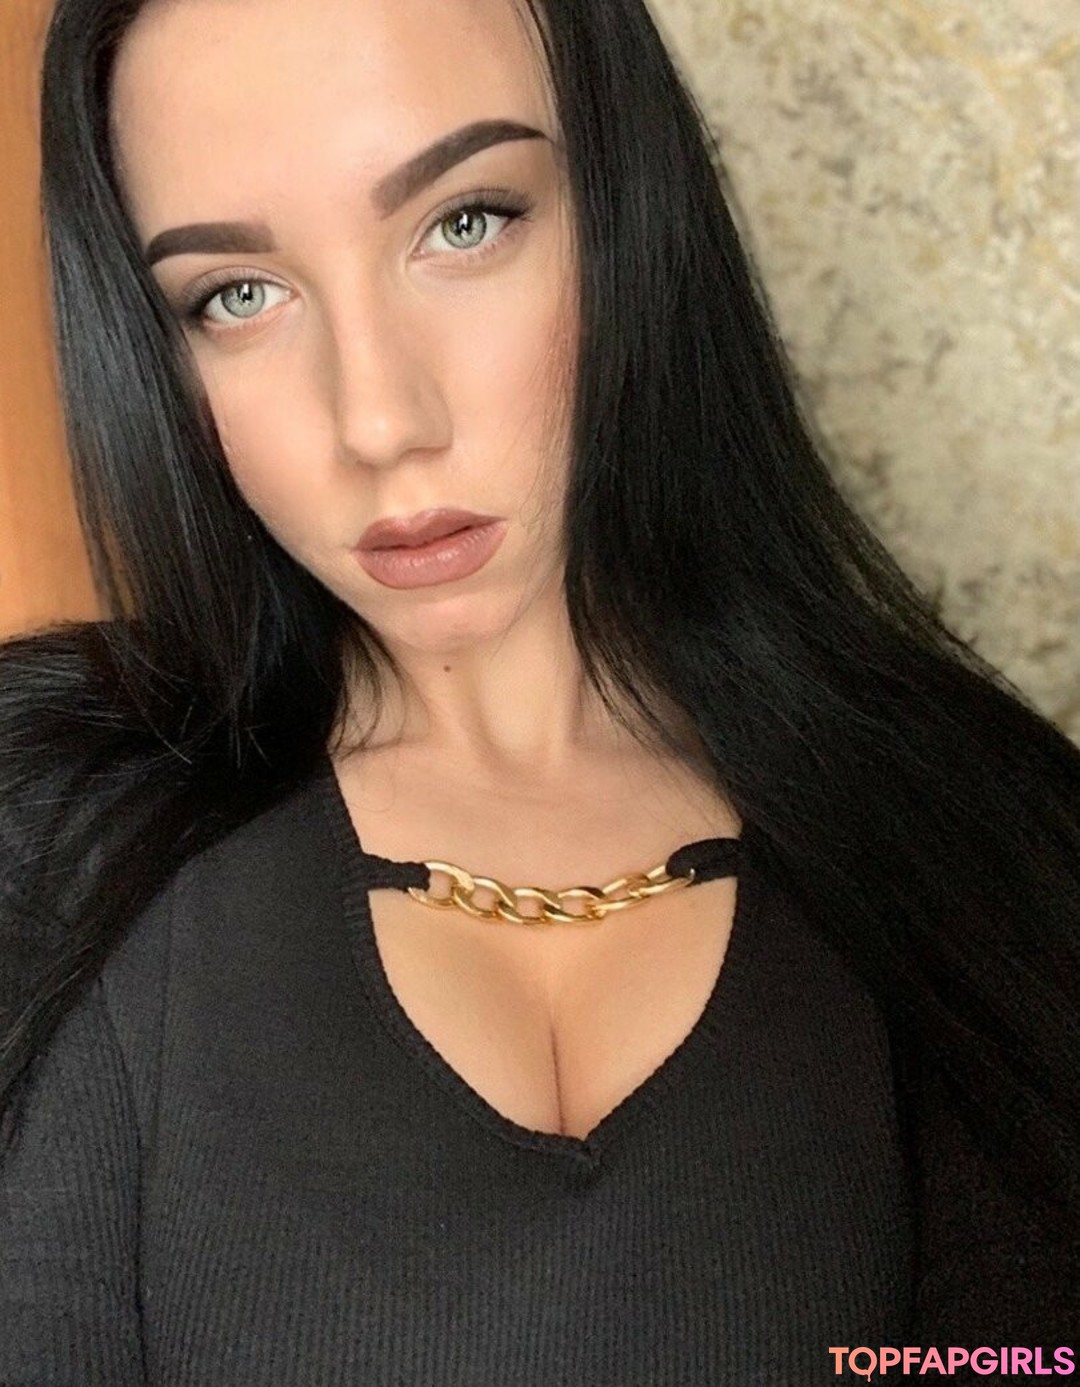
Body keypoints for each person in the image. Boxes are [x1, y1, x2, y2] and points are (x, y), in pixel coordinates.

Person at [1, 0, 1077, 1380]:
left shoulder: (998, 839)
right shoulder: (40, 833)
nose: (379, 420)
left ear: (629, 211)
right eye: (238, 295)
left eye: (465, 223)